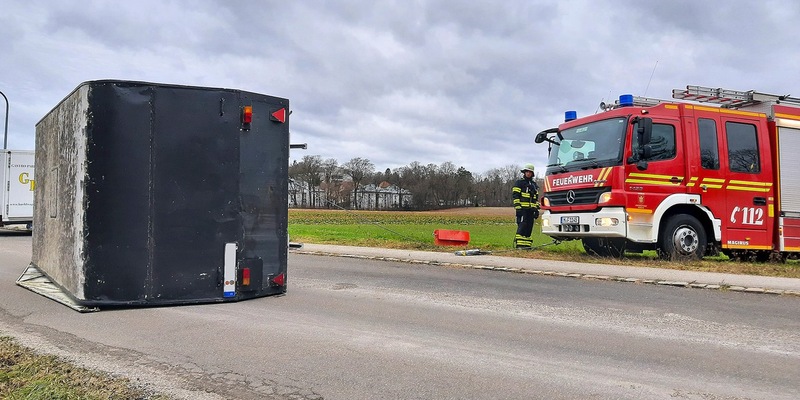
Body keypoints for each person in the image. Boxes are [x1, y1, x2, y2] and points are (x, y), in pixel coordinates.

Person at [512, 163, 540, 249]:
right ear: (524, 172)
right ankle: (520, 246)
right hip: (522, 209)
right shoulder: (519, 183)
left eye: (530, 172)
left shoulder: (534, 185)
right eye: (527, 172)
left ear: (532, 173)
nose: (528, 173)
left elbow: (535, 198)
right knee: (522, 226)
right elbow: (515, 195)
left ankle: (527, 246)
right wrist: (518, 207)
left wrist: (536, 209)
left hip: (531, 210)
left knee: (529, 228)